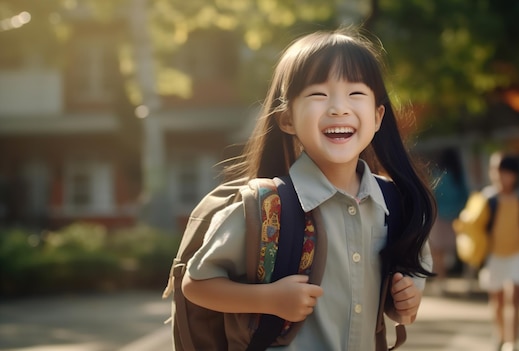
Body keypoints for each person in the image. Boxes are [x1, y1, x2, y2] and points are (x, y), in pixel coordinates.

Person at [181, 28, 436, 350]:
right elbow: (196, 284)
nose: (338, 108)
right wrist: (269, 299)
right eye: (318, 94)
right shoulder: (266, 209)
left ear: (377, 116)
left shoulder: (394, 205)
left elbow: (408, 285)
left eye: (356, 93)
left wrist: (406, 303)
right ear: (287, 119)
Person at [479, 152, 519, 351]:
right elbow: (477, 227)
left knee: (513, 297)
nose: (500, 176)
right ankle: (500, 334)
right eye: (496, 171)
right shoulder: (487, 198)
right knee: (497, 300)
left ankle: (512, 341)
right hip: (494, 254)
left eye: (504, 171)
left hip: (518, 253)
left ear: (514, 174)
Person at [429, 148, 469, 293]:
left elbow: (432, 196)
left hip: (439, 217)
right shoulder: (459, 176)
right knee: (461, 250)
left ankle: (441, 282)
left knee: (438, 252)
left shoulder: (437, 176)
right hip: (456, 217)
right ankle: (467, 281)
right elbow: (466, 196)